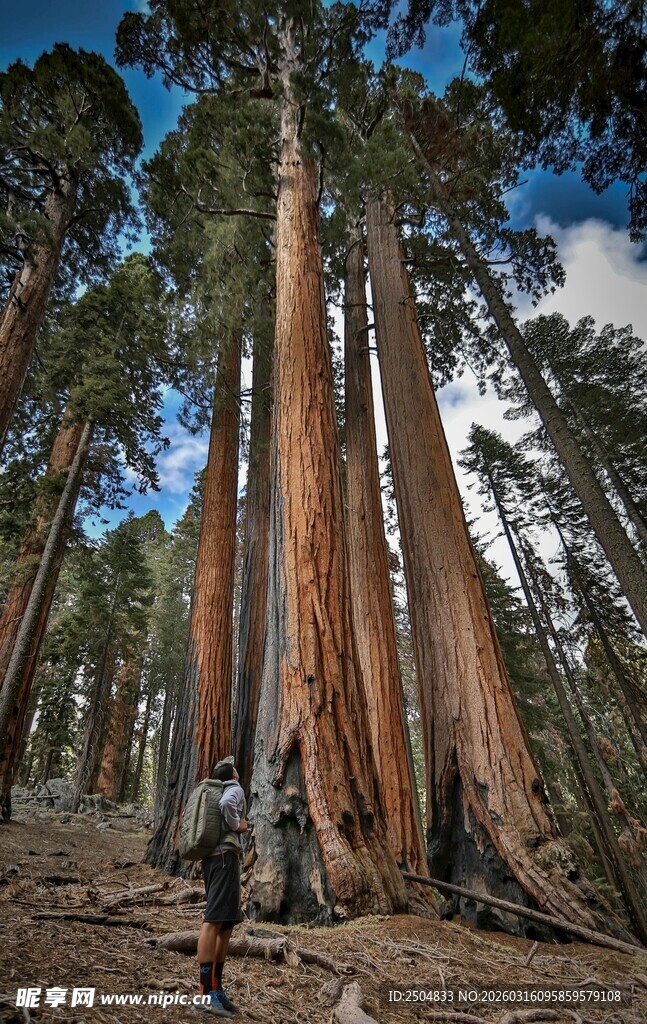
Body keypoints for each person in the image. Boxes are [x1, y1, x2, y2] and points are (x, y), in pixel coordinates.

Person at [196, 756, 248, 1017]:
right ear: (234, 775)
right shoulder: (233, 789)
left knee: (225, 924)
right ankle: (204, 995)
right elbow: (228, 805)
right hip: (225, 859)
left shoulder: (216, 789)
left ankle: (215, 989)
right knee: (214, 920)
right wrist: (238, 824)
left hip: (214, 860)